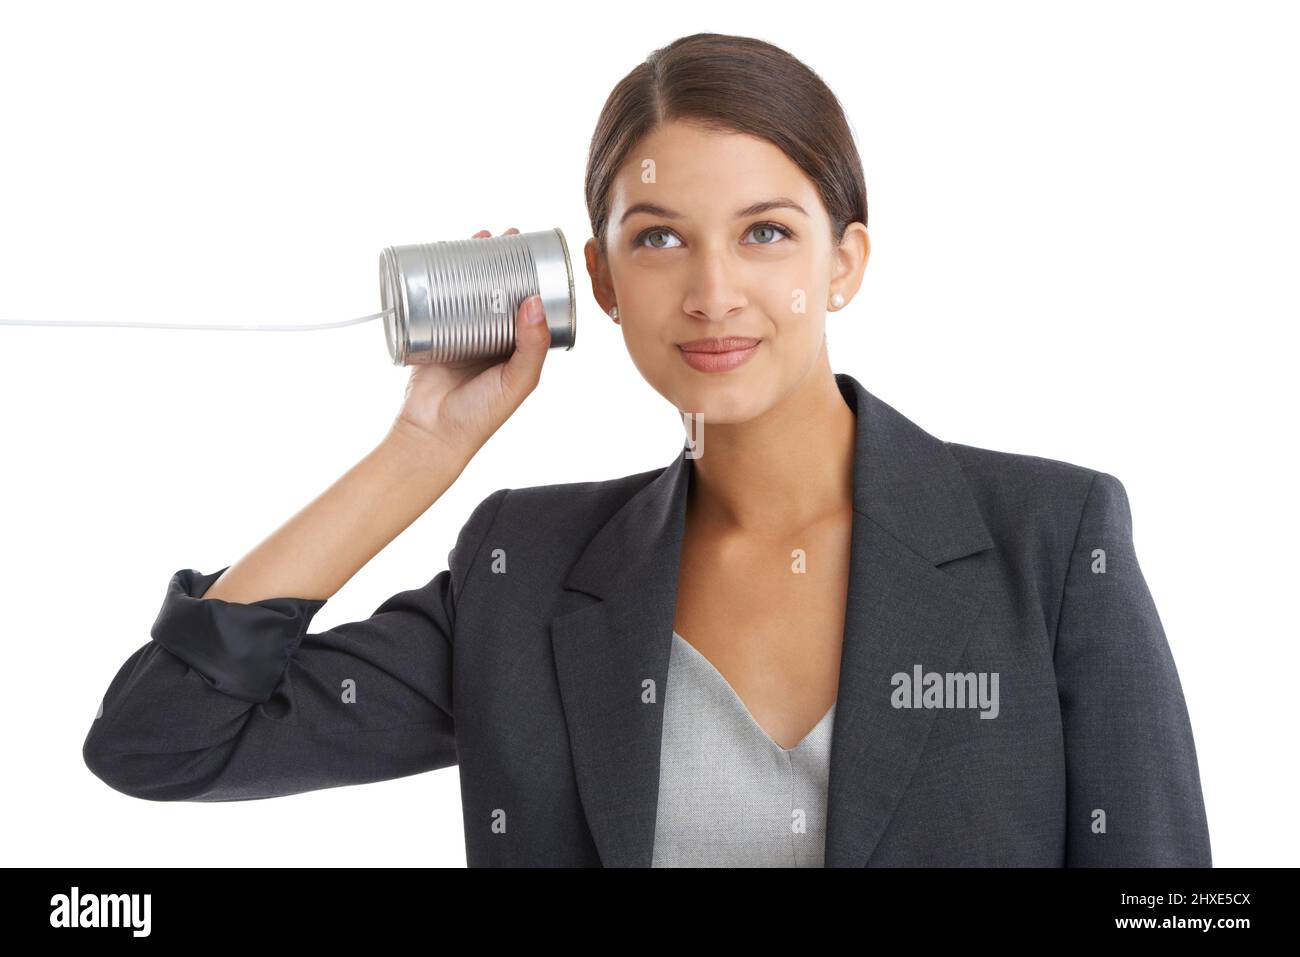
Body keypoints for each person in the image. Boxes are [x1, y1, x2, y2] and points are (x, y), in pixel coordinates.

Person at [82, 32, 1212, 867]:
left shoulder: (1051, 542)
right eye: (660, 238)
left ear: (845, 263)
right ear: (604, 283)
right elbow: (161, 743)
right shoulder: (525, 569)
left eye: (766, 233)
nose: (713, 292)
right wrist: (421, 450)